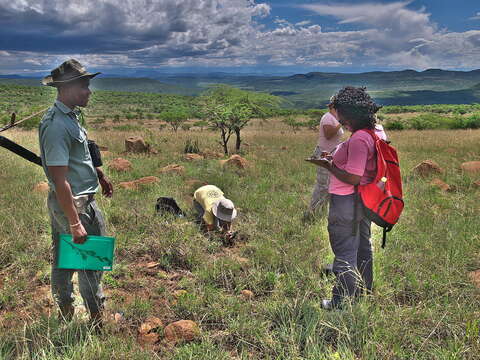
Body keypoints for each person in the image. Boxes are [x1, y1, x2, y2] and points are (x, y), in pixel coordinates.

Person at [38, 59, 113, 327]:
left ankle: (66, 311)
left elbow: (79, 156)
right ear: (67, 88)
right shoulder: (57, 125)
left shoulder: (71, 115)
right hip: (76, 204)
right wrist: (75, 221)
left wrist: (100, 175)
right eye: (84, 85)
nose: (89, 91)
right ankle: (96, 318)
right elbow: (60, 180)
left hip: (73, 201)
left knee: (64, 257)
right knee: (91, 261)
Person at [307, 86, 380, 309]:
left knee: (344, 252)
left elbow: (354, 177)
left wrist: (329, 165)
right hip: (361, 201)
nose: (336, 115)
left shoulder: (359, 139)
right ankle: (363, 290)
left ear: (347, 113)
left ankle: (340, 303)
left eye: (338, 111)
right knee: (362, 247)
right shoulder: (373, 133)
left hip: (346, 201)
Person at [306, 98, 344, 217]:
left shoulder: (333, 118)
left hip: (330, 154)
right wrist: (341, 123)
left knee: (328, 185)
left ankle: (319, 212)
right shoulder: (328, 117)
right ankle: (312, 212)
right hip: (324, 153)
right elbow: (328, 135)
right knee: (323, 185)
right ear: (334, 106)